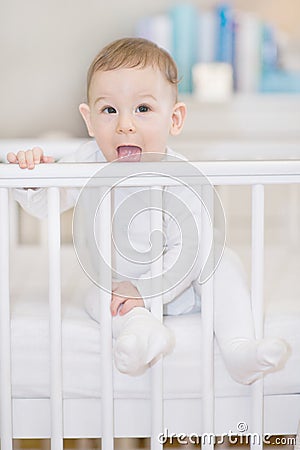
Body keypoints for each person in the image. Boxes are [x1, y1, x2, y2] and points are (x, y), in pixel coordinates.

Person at [7, 37, 289, 383]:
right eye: (109, 110)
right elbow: (44, 205)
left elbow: (189, 250)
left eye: (142, 109)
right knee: (95, 294)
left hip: (184, 286)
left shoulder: (182, 175)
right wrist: (32, 178)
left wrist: (148, 290)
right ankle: (140, 334)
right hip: (120, 290)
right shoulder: (86, 163)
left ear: (175, 118)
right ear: (89, 119)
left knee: (222, 261)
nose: (125, 124)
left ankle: (239, 347)